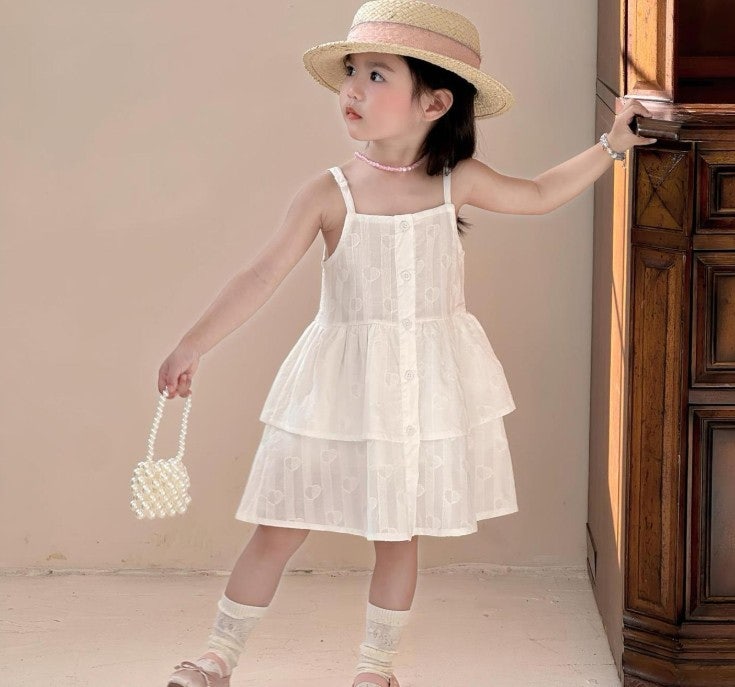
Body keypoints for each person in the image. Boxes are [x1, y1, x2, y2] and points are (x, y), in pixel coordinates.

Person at [158, 1, 656, 685]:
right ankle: (218, 656)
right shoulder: (328, 192)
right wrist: (192, 345)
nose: (352, 89)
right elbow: (260, 275)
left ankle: (375, 668)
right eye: (351, 72)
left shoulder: (458, 182)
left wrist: (612, 144)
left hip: (420, 388)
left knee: (396, 534)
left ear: (434, 102)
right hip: (336, 387)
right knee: (278, 524)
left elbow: (540, 192)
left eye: (376, 75)